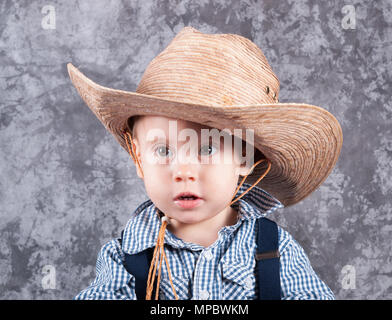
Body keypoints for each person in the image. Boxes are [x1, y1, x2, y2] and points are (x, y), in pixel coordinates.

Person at [67, 26, 342, 300]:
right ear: (139, 158)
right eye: (163, 151)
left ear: (246, 157)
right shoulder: (125, 259)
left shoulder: (274, 250)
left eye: (207, 149)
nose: (183, 172)